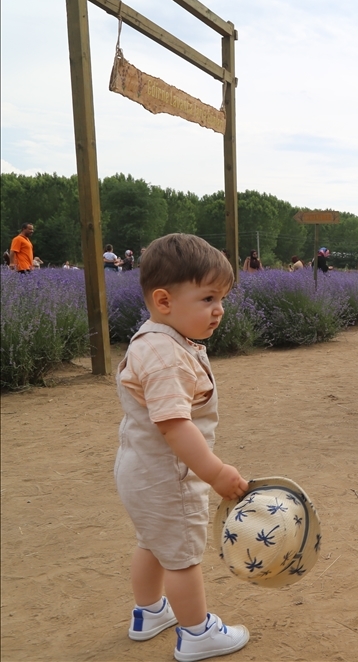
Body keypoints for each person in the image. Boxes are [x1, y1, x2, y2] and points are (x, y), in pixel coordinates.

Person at [114, 233, 249, 661]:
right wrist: (215, 471)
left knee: (153, 542)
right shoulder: (166, 356)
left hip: (140, 470)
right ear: (164, 301)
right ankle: (197, 634)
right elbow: (174, 425)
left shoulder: (156, 339)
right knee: (183, 557)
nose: (219, 309)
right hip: (168, 475)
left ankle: (149, 612)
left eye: (223, 298)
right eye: (208, 298)